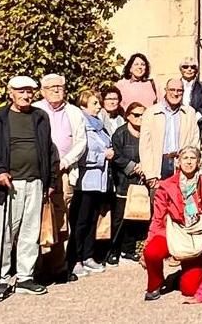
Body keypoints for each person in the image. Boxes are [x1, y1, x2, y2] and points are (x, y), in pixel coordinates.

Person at [0, 76, 55, 299]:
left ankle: (24, 277)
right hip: (9, 184)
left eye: (29, 91)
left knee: (30, 232)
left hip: (35, 182)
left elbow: (49, 150)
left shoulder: (40, 117)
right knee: (5, 232)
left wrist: (50, 181)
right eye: (21, 91)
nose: (26, 95)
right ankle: (1, 278)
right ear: (10, 93)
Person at [142, 146, 202, 300]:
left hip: (196, 234)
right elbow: (158, 218)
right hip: (171, 231)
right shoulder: (166, 186)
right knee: (151, 252)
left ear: (199, 162)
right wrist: (149, 241)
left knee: (190, 289)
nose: (189, 162)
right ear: (178, 162)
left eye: (193, 158)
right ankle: (156, 283)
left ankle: (177, 277)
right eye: (185, 158)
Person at [32, 73, 88, 283]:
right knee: (35, 218)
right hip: (38, 172)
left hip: (64, 171)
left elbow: (81, 142)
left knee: (62, 218)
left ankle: (59, 266)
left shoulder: (74, 112)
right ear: (42, 91)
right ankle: (35, 268)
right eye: (51, 87)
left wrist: (66, 161)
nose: (56, 90)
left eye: (60, 86)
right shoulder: (35, 110)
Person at [67, 90, 114, 277]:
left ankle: (88, 256)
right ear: (83, 106)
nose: (99, 107)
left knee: (93, 220)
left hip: (100, 182)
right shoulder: (82, 125)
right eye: (94, 103)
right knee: (81, 221)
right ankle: (76, 258)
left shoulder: (99, 125)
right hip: (86, 181)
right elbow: (82, 153)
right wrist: (103, 156)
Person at [140, 79, 199, 188]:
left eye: (179, 90)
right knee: (159, 197)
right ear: (165, 90)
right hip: (160, 164)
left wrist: (191, 166)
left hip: (182, 164)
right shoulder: (151, 113)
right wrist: (149, 173)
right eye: (172, 90)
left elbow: (194, 141)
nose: (175, 93)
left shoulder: (189, 113)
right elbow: (145, 147)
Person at [110, 102, 147, 263]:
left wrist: (145, 166)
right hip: (124, 180)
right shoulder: (120, 134)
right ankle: (113, 250)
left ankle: (129, 249)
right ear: (128, 116)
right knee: (119, 217)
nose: (140, 118)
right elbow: (116, 155)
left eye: (143, 115)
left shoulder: (147, 132)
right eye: (136, 115)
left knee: (136, 216)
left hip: (141, 180)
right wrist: (132, 167)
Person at [178, 56, 202, 130]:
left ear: (196, 70)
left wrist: (193, 119)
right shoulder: (175, 86)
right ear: (181, 69)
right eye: (185, 67)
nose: (189, 69)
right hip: (178, 123)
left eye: (193, 67)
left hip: (198, 125)